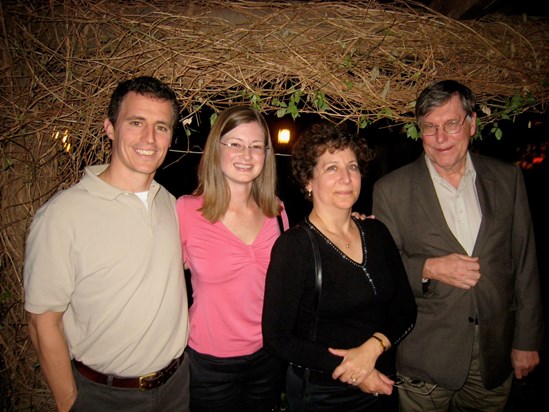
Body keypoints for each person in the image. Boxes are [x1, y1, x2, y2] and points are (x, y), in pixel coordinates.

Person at [372, 79, 545, 411]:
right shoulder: (390, 189)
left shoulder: (507, 179)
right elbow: (383, 270)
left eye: (451, 124)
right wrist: (426, 267)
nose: (440, 138)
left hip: (495, 353)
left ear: (472, 122)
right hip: (426, 353)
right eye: (430, 127)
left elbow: (524, 262)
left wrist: (527, 340)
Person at [24, 76, 190, 412]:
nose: (149, 138)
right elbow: (43, 322)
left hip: (176, 387)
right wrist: (70, 403)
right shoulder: (62, 216)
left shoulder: (171, 205)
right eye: (136, 123)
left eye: (161, 127)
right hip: (106, 395)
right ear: (110, 128)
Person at [262, 122, 417, 411]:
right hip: (325, 393)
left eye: (353, 167)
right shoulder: (294, 247)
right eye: (331, 168)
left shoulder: (377, 232)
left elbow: (404, 307)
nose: (346, 178)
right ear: (309, 180)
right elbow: (277, 339)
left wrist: (373, 348)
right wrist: (355, 370)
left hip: (382, 382)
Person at [175, 105, 289, 412]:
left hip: (268, 358)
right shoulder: (186, 211)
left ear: (266, 155)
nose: (246, 155)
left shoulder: (277, 211)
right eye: (235, 144)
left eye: (256, 146)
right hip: (209, 365)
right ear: (216, 150)